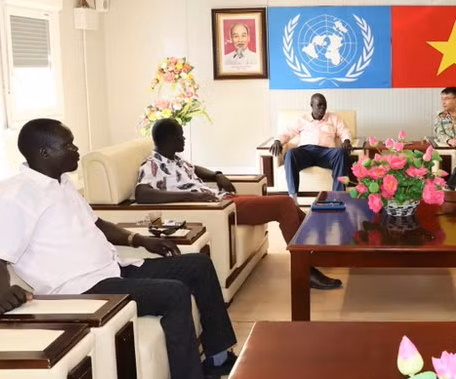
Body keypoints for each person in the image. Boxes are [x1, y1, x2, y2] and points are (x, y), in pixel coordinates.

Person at [0, 118, 236, 379]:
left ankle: (218, 358)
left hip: (115, 269)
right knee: (174, 293)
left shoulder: (62, 183)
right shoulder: (15, 196)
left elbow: (97, 223)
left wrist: (139, 240)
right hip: (83, 289)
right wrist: (1, 292)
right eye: (68, 145)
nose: (77, 149)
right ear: (44, 152)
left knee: (198, 264)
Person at [135, 118, 342, 290]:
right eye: (180, 135)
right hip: (217, 210)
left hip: (224, 200)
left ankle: (315, 254)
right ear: (169, 138)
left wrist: (217, 175)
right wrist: (191, 197)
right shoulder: (153, 164)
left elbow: (195, 169)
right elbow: (142, 194)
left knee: (291, 208)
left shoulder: (174, 159)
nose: (184, 138)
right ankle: (305, 271)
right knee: (284, 205)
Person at [269, 93, 353, 199]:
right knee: (290, 153)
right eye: (319, 105)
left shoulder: (334, 118)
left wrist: (346, 140)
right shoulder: (302, 119)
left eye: (325, 105)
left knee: (341, 152)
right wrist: (278, 141)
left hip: (327, 153)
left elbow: (344, 130)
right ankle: (293, 197)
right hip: (306, 152)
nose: (322, 108)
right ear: (311, 105)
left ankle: (338, 196)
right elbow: (287, 132)